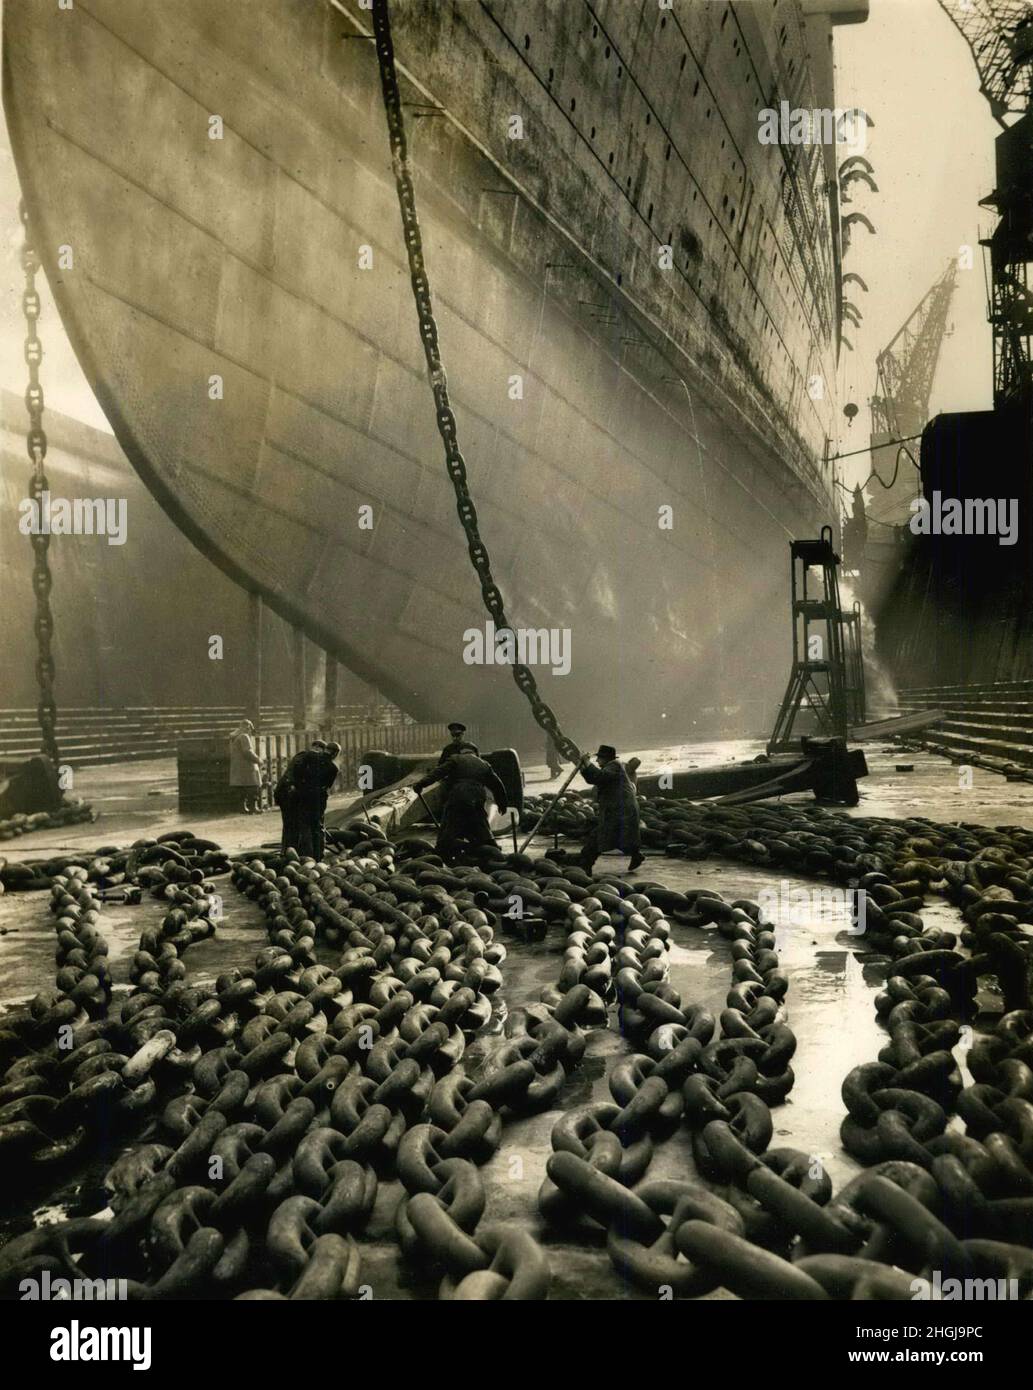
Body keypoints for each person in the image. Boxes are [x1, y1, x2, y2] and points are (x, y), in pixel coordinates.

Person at [414, 748, 508, 864]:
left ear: (462, 753)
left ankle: (443, 851)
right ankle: (493, 849)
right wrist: (502, 803)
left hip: (459, 794)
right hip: (477, 795)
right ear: (475, 754)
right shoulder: (484, 764)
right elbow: (497, 785)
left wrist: (421, 784)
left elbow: (438, 772)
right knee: (480, 823)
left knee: (450, 823)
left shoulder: (456, 759)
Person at [577, 744, 643, 875]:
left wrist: (587, 763)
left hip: (620, 810)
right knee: (620, 838)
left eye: (599, 758)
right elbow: (594, 779)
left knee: (597, 838)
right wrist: (584, 767)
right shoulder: (611, 767)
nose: (597, 761)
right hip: (619, 810)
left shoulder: (614, 766)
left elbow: (599, 777)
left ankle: (586, 866)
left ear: (606, 758)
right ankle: (636, 855)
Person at [275, 740, 327, 854]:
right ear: (319, 749)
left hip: (284, 793)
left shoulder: (300, 756)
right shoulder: (312, 757)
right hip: (291, 794)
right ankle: (296, 852)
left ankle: (287, 851)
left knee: (289, 825)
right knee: (296, 825)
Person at [229, 719, 264, 814]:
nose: (251, 732)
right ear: (247, 728)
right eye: (250, 729)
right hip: (247, 767)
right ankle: (253, 807)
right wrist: (258, 760)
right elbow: (247, 752)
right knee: (253, 787)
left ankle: (243, 808)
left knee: (241, 788)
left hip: (238, 767)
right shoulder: (244, 737)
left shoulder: (234, 737)